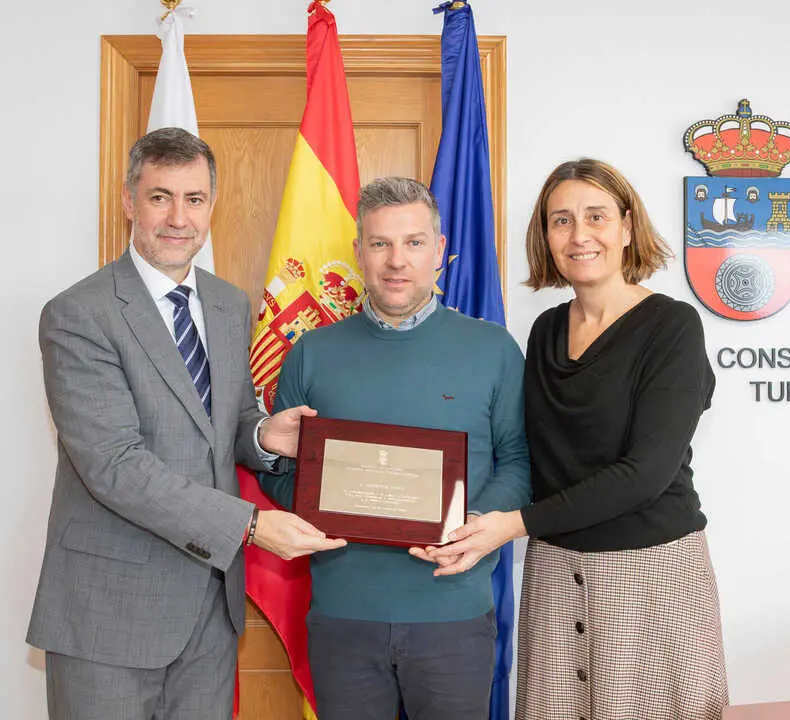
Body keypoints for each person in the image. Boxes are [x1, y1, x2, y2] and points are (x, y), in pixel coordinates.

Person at [27, 127, 347, 720]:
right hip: (108, 616)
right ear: (129, 201)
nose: (179, 217)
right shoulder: (78, 315)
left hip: (209, 610)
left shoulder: (227, 305)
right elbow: (115, 467)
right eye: (160, 197)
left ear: (211, 205)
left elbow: (224, 420)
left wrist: (261, 435)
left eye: (194, 199)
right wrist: (252, 526)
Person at [425, 158, 728, 719]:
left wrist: (513, 525)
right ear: (544, 235)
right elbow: (526, 455)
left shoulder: (673, 328)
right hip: (555, 571)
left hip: (651, 575)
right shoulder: (544, 332)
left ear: (628, 226)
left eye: (597, 216)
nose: (579, 234)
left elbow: (645, 474)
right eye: (561, 220)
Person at [258, 176, 531, 720]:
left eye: (413, 243)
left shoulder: (493, 349)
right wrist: (277, 465)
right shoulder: (312, 353)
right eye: (380, 243)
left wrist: (474, 521)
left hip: (453, 612)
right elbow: (284, 474)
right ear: (358, 252)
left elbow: (520, 461)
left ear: (440, 252)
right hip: (343, 617)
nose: (396, 261)